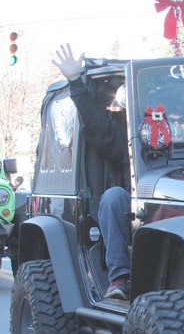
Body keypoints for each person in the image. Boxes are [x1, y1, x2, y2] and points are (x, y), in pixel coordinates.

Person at [53, 42, 131, 300]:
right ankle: (120, 277)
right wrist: (75, 80)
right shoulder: (137, 136)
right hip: (136, 208)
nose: (178, 119)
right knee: (113, 197)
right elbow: (98, 126)